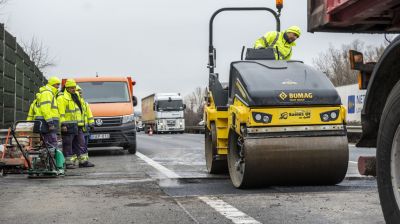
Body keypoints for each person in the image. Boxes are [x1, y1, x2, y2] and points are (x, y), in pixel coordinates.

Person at [57, 79, 95, 169]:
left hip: (78, 126)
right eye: (71, 88)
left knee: (81, 143)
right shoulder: (61, 98)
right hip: (68, 126)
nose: (74, 89)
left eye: (74, 87)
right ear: (67, 88)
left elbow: (82, 112)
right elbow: (61, 113)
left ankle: (83, 161)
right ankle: (69, 163)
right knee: (68, 144)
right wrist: (63, 125)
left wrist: (89, 123)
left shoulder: (76, 96)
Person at [36, 76, 61, 147]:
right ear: (52, 84)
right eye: (57, 84)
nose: (58, 87)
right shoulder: (47, 93)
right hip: (47, 123)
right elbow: (45, 109)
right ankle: (50, 158)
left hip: (47, 123)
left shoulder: (50, 93)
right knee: (51, 143)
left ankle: (49, 157)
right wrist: (50, 123)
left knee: (48, 144)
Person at [76, 85, 95, 164]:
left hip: (85, 128)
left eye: (81, 92)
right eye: (78, 92)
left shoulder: (84, 103)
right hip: (78, 128)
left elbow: (89, 114)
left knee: (85, 145)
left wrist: (91, 124)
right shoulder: (74, 102)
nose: (80, 93)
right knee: (81, 145)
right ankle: (81, 161)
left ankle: (85, 160)